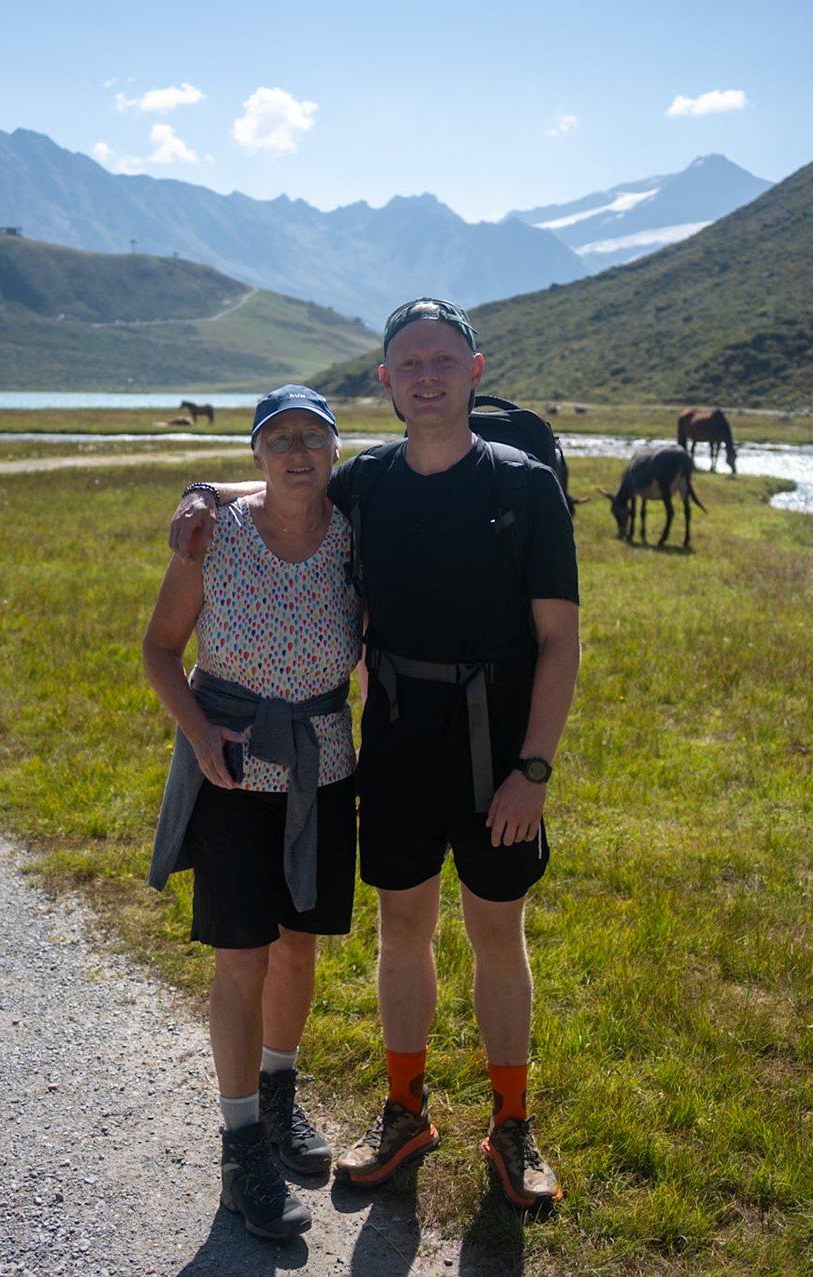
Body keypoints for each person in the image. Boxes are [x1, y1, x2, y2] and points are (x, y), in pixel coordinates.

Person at [170, 299, 580, 1210]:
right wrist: (205, 493)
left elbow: (560, 641)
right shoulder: (368, 481)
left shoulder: (525, 487)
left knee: (497, 932)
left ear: (474, 371)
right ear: (387, 380)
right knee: (402, 928)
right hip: (395, 741)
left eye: (444, 360)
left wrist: (535, 767)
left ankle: (513, 1123)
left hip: (499, 750)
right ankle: (405, 1111)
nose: (427, 376)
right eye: (409, 363)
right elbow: (286, 488)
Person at [144, 384, 361, 1241]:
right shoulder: (216, 537)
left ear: (336, 450)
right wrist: (200, 737)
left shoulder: (354, 533)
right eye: (280, 438)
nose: (298, 451)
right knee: (242, 958)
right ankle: (241, 1151)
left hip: (322, 769)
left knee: (299, 947)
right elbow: (161, 649)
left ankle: (278, 1097)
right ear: (258, 455)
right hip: (232, 774)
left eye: (313, 437)